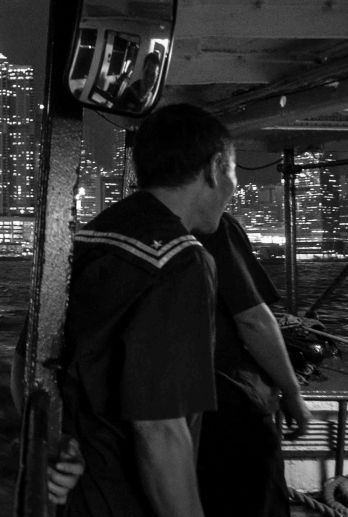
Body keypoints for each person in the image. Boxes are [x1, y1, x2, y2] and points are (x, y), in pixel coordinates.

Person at [59, 103, 237, 516]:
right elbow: (160, 428)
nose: (234, 186)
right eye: (234, 169)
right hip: (121, 498)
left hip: (72, 496)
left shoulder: (86, 239)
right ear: (214, 168)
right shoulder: (178, 261)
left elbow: (26, 368)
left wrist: (58, 443)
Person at [195, 213, 311, 517]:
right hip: (232, 399)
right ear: (213, 170)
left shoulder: (127, 226)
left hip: (179, 405)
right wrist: (292, 391)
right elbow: (253, 319)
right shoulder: (212, 223)